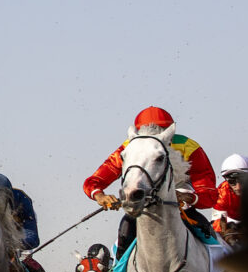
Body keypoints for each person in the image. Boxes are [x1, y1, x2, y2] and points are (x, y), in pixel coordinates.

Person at [81, 107, 220, 256]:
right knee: (124, 233)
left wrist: (188, 197)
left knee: (211, 240)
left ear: (169, 134)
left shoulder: (189, 147)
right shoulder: (130, 147)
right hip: (141, 207)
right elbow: (94, 181)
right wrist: (100, 196)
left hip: (181, 209)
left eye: (160, 131)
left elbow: (210, 194)